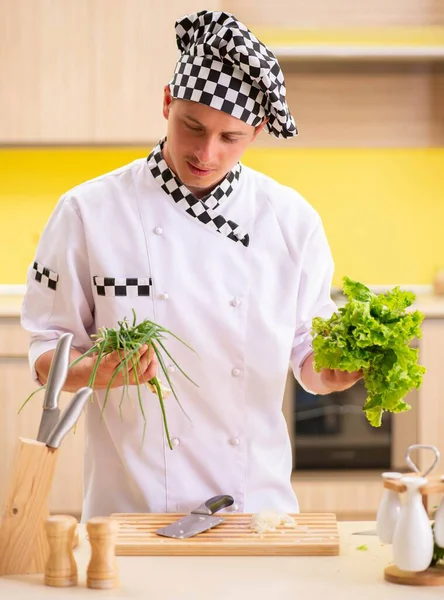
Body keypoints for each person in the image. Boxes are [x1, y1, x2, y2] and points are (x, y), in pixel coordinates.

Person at [21, 10, 362, 521]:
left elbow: (307, 354)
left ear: (258, 131)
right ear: (166, 102)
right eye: (193, 127)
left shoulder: (292, 221)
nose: (206, 153)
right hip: (130, 507)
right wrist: (99, 370)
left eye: (231, 138)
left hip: (254, 505)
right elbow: (48, 351)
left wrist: (329, 375)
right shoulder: (88, 212)